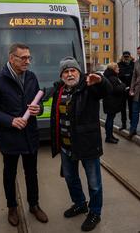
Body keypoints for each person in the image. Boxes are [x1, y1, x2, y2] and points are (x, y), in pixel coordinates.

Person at [0, 43, 48, 227]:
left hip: (30, 136)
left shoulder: (31, 77)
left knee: (32, 173)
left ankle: (34, 205)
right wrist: (11, 120)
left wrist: (39, 108)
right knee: (9, 174)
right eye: (23, 58)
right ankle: (12, 207)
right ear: (12, 58)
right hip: (11, 137)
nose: (28, 61)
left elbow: (40, 103)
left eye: (29, 57)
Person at [50, 56, 112, 232]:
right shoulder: (59, 90)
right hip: (66, 145)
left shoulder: (89, 87)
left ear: (79, 71)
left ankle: (95, 212)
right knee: (70, 178)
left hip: (87, 145)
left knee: (94, 183)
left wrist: (101, 80)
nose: (70, 74)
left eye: (73, 70)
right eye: (66, 71)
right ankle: (79, 204)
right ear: (61, 75)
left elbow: (106, 90)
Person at [103, 62, 126, 143]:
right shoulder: (112, 78)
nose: (119, 69)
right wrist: (123, 85)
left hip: (109, 101)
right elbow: (116, 89)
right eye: (117, 68)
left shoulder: (108, 76)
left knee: (110, 119)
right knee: (110, 120)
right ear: (113, 69)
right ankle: (108, 137)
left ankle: (110, 135)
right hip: (111, 102)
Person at [117, 51, 134, 130]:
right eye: (125, 57)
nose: (126, 58)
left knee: (131, 108)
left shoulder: (133, 64)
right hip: (122, 89)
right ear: (123, 57)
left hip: (131, 89)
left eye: (127, 56)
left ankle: (131, 124)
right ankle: (124, 124)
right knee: (122, 108)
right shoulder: (119, 65)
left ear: (130, 56)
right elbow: (118, 76)